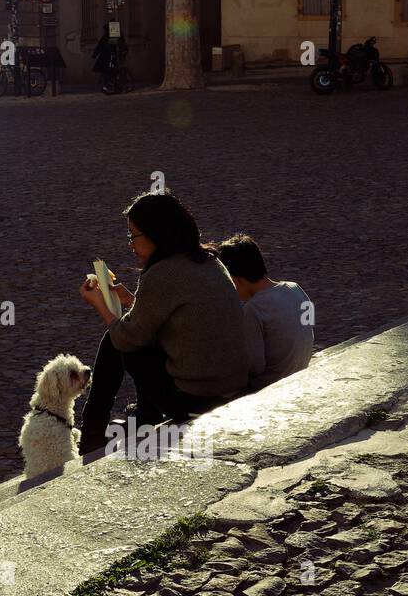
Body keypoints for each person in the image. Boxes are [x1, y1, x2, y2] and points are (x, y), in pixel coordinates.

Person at [78, 193, 249, 456]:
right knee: (131, 333)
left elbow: (128, 337)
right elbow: (175, 318)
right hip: (230, 384)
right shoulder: (209, 260)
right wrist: (130, 300)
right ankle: (140, 418)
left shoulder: (163, 272)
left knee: (116, 341)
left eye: (133, 236)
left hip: (195, 399)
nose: (130, 244)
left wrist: (100, 304)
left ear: (157, 233)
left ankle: (92, 434)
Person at [219, 234, 314, 392]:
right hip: (299, 370)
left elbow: (254, 366)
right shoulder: (295, 288)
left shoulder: (253, 309)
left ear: (237, 280)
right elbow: (309, 325)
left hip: (270, 385)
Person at [91, 22, 128, 93]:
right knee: (109, 72)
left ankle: (110, 86)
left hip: (109, 57)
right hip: (110, 57)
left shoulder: (109, 37)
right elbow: (101, 46)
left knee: (109, 72)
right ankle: (110, 86)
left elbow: (100, 46)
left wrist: (94, 55)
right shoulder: (112, 36)